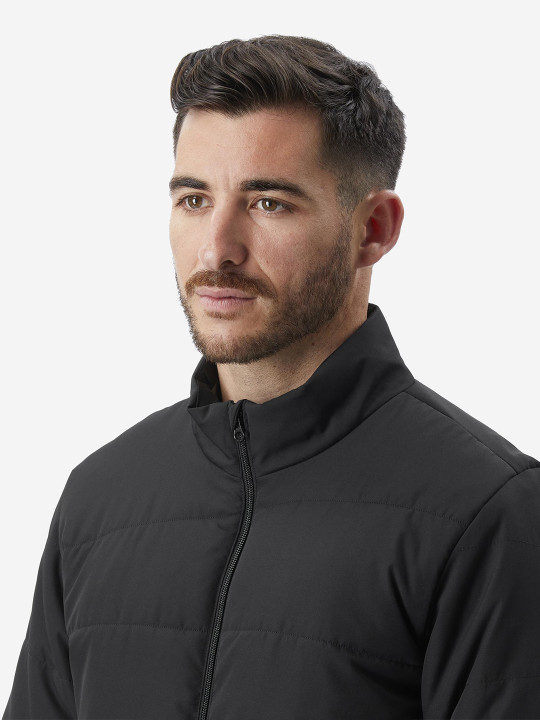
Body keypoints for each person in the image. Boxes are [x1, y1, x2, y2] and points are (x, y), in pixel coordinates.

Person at [3, 34, 540, 720]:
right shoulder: (99, 498)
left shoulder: (488, 510)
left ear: (374, 229)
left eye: (268, 202)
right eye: (194, 199)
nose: (217, 250)